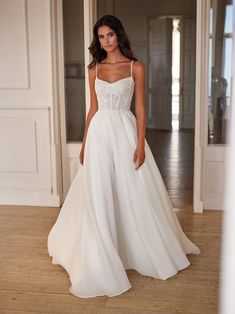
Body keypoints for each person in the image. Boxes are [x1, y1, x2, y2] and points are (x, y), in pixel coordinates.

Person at [47, 15, 200, 299]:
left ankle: (135, 247)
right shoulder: (94, 69)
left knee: (133, 192)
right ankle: (102, 251)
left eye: (110, 35)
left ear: (119, 35)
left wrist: (140, 144)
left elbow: (141, 108)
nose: (105, 41)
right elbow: (92, 109)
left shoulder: (135, 66)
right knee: (99, 191)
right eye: (101, 37)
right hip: (100, 134)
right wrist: (84, 143)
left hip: (126, 132)